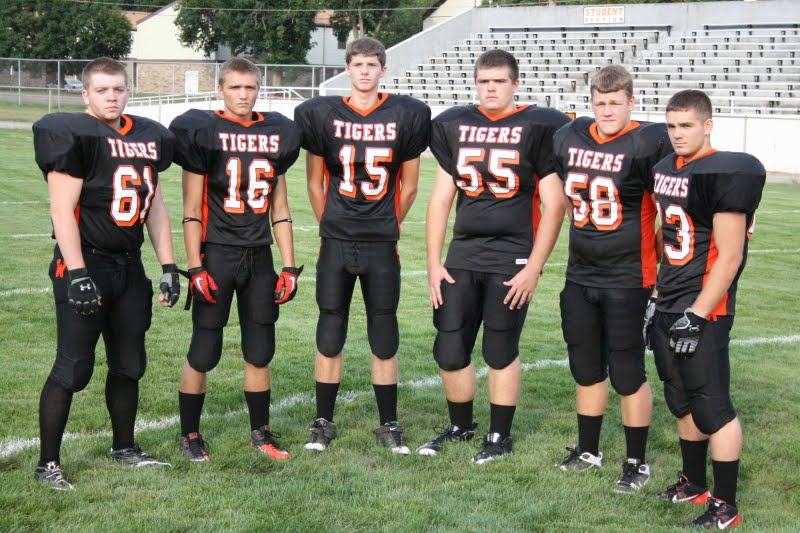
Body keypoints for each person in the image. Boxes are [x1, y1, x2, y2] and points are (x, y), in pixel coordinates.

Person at [32, 57, 179, 490]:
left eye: (118, 89)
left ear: (127, 90)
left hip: (129, 266)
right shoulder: (74, 133)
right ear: (86, 95)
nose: (111, 97)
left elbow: (155, 208)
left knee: (129, 364)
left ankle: (124, 446)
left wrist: (168, 265)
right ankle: (47, 464)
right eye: (102, 90)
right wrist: (76, 272)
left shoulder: (148, 137)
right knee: (74, 367)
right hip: (86, 262)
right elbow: (62, 210)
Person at [419, 49, 570, 463]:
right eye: (484, 80)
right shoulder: (455, 124)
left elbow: (555, 205)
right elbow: (440, 200)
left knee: (500, 348)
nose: (491, 88)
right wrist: (434, 263)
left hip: (512, 254)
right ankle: (460, 426)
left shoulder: (539, 126)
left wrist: (535, 268)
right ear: (476, 83)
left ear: (515, 84)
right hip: (463, 251)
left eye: (500, 81)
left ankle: (499, 437)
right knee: (449, 347)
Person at [293, 37, 430, 454]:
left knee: (384, 332)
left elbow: (408, 187)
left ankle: (388, 423)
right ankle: (322, 421)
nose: (365, 71)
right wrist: (332, 224)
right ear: (348, 69)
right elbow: (314, 181)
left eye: (372, 64)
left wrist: (387, 224)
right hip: (337, 240)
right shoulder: (322, 114)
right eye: (358, 64)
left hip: (379, 242)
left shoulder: (406, 114)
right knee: (330, 330)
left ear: (383, 70)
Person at [169, 57, 303, 462]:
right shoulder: (203, 131)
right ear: (221, 90)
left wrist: (290, 265)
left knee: (260, 349)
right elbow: (192, 209)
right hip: (218, 255)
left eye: (250, 88)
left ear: (258, 89)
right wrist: (194, 266)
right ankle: (189, 434)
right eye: (235, 88)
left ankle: (260, 433)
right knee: (204, 349)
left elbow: (280, 208)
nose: (243, 95)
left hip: (259, 256)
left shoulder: (276, 133)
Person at [647, 89, 765, 529]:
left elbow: (730, 256)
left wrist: (697, 312)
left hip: (704, 307)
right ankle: (693, 482)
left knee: (712, 405)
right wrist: (657, 296)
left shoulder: (726, 170)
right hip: (670, 296)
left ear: (707, 125)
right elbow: (667, 235)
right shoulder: (664, 168)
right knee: (680, 399)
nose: (677, 134)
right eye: (672, 126)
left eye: (687, 126)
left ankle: (727, 503)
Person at [552, 65, 672, 492]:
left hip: (628, 277)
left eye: (615, 102)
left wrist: (655, 264)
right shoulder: (572, 136)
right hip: (580, 274)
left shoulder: (647, 143)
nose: (607, 110)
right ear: (591, 103)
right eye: (600, 102)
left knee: (626, 372)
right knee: (586, 367)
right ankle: (588, 450)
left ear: (631, 102)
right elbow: (569, 200)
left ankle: (636, 461)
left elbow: (667, 210)